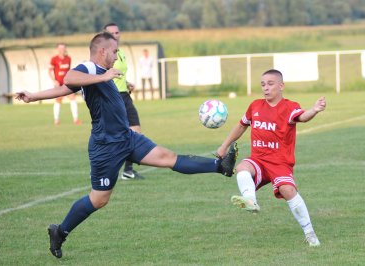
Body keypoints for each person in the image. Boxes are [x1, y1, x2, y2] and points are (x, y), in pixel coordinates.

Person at [15, 32, 238, 259]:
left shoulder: (99, 74)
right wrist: (103, 78)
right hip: (106, 147)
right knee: (99, 199)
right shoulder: (91, 69)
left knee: (167, 157)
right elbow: (70, 79)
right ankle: (60, 231)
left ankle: (220, 166)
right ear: (102, 51)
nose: (116, 54)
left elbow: (66, 89)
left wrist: (33, 96)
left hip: (127, 138)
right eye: (113, 50)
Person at [216, 69, 326, 247]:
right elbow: (241, 126)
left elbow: (303, 117)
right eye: (263, 84)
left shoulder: (289, 107)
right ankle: (251, 201)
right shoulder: (255, 106)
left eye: (270, 84)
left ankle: (310, 233)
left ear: (281, 86)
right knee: (242, 168)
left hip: (280, 163)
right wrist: (223, 146)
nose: (265, 88)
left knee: (288, 191)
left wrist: (314, 110)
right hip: (258, 160)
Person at [103, 22, 144, 180]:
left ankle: (128, 170)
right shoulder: (104, 54)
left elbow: (118, 74)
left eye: (117, 32)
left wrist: (127, 83)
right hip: (113, 98)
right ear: (105, 35)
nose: (115, 35)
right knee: (116, 136)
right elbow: (102, 75)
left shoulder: (121, 52)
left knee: (136, 132)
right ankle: (104, 169)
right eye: (112, 33)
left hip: (125, 96)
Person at [49, 43, 81, 125]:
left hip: (67, 83)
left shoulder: (68, 58)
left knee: (72, 98)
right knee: (58, 100)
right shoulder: (54, 59)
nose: (62, 50)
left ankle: (76, 119)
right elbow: (50, 71)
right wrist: (54, 80)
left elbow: (69, 70)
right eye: (60, 48)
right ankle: (56, 120)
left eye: (63, 48)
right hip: (58, 83)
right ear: (57, 49)